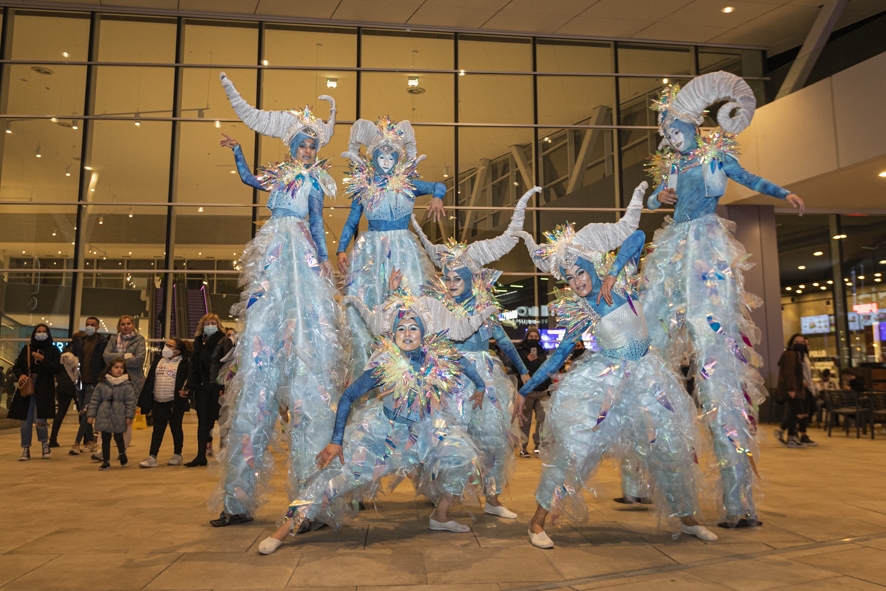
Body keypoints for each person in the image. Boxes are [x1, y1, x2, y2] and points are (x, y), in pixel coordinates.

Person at [640, 72, 805, 528]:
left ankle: (739, 499)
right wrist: (661, 193)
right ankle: (642, 478)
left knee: (718, 366)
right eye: (666, 133)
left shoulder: (715, 157)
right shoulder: (673, 166)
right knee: (648, 348)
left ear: (693, 125)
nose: (671, 138)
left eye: (676, 130)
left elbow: (749, 177)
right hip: (674, 252)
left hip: (707, 256)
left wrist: (783, 191)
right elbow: (658, 196)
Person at [515, 181, 717, 549]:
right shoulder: (583, 313)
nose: (577, 281)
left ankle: (687, 518)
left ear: (591, 266)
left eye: (580, 272)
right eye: (569, 278)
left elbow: (637, 235)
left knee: (669, 448)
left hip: (648, 376)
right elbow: (558, 357)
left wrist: (613, 272)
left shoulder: (621, 285)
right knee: (577, 449)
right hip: (606, 382)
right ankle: (538, 522)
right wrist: (525, 388)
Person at [257, 278, 496, 555]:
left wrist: (480, 386)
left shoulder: (437, 355)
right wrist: (336, 441)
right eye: (401, 329)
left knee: (464, 456)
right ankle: (283, 531)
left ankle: (440, 516)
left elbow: (464, 362)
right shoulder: (384, 363)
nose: (407, 334)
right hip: (385, 434)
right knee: (336, 481)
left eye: (413, 328)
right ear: (392, 335)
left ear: (423, 332)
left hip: (427, 430)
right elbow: (348, 397)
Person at [211, 73, 347, 527]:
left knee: (309, 346)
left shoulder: (314, 184)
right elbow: (250, 178)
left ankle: (311, 504)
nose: (308, 150)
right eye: (302, 145)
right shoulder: (278, 177)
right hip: (274, 255)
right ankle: (237, 501)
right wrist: (236, 150)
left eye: (313, 145)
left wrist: (325, 262)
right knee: (260, 356)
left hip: (303, 260)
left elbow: (316, 220)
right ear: (291, 147)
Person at [412, 186, 538, 520]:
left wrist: (524, 371)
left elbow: (503, 340)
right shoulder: (439, 307)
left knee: (493, 438)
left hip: (485, 374)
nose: (452, 282)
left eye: (457, 277)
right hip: (452, 375)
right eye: (448, 277)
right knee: (452, 436)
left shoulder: (483, 307)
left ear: (471, 279)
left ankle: (493, 499)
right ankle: (442, 498)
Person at [337, 116, 447, 379]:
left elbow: (438, 185)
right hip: (370, 253)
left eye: (390, 158)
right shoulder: (364, 187)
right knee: (369, 305)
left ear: (398, 160)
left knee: (410, 303)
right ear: (373, 158)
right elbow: (352, 220)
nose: (386, 163)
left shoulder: (408, 184)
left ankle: (412, 372)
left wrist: (437, 198)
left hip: (403, 251)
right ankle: (369, 373)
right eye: (381, 157)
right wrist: (342, 248)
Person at [185, 313, 230, 467]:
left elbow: (228, 365)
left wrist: (224, 386)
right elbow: (194, 366)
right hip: (202, 388)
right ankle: (200, 455)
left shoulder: (224, 341)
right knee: (203, 422)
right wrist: (191, 385)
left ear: (218, 325)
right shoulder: (198, 342)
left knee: (223, 422)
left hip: (217, 387)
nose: (210, 325)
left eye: (213, 322)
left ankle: (227, 454)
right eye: (207, 322)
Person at [98, 315, 145, 461]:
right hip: (111, 382)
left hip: (131, 383)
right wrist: (126, 356)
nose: (126, 326)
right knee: (105, 415)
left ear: (133, 325)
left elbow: (139, 360)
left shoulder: (140, 340)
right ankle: (101, 450)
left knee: (126, 418)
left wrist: (117, 359)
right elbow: (106, 356)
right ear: (119, 326)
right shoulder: (113, 339)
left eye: (128, 323)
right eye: (123, 324)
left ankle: (122, 450)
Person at [10, 324, 60, 461]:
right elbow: (17, 367)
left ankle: (45, 444)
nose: (41, 334)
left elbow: (57, 369)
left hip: (44, 387)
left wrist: (42, 360)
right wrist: (20, 375)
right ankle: (25, 448)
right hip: (28, 386)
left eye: (44, 332)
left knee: (40, 419)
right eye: (39, 331)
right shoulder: (27, 349)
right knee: (25, 420)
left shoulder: (53, 350)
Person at [138, 339, 191, 468]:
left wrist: (186, 392)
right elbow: (150, 380)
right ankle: (152, 456)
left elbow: (188, 379)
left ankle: (177, 454)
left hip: (174, 402)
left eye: (170, 346)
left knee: (176, 428)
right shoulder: (158, 360)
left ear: (177, 350)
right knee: (157, 430)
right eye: (166, 345)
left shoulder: (184, 362)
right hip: (158, 401)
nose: (166, 347)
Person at [87, 358, 137, 470]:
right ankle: (106, 461)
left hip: (119, 414)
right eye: (116, 367)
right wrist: (91, 414)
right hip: (104, 414)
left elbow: (130, 402)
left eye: (121, 367)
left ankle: (122, 453)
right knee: (105, 439)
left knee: (119, 437)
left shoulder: (127, 385)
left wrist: (129, 416)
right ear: (110, 370)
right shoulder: (102, 384)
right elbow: (95, 400)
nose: (119, 370)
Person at [69, 317, 108, 455]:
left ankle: (77, 442)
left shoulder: (103, 342)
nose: (89, 327)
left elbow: (105, 362)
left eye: (92, 325)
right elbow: (73, 357)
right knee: (83, 412)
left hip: (94, 382)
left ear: (98, 327)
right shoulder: (80, 342)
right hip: (80, 381)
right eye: (87, 324)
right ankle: (91, 441)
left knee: (86, 411)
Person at [517, 326, 550, 458]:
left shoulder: (542, 351)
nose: (533, 339)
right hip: (527, 391)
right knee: (525, 420)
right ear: (527, 337)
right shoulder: (520, 351)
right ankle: (523, 446)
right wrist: (527, 360)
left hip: (541, 390)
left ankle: (538, 445)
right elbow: (516, 367)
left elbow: (545, 368)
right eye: (531, 337)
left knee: (542, 420)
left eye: (536, 337)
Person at [775, 334, 813, 448]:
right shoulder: (791, 354)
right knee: (798, 412)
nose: (800, 344)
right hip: (793, 389)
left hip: (796, 388)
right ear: (792, 342)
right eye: (798, 341)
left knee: (795, 412)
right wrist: (791, 388)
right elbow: (789, 372)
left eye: (802, 342)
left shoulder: (796, 355)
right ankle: (790, 436)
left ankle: (788, 435)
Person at [49, 348, 80, 447]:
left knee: (60, 413)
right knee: (82, 413)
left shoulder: (61, 358)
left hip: (62, 387)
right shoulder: (76, 358)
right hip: (75, 387)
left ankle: (53, 438)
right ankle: (86, 438)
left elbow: (56, 371)